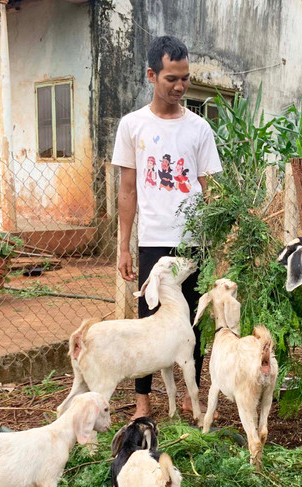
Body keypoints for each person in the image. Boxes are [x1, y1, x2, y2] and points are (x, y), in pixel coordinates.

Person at [112, 35, 223, 419]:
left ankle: (192, 395)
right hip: (154, 242)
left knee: (193, 320)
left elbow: (212, 189)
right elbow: (127, 191)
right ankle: (143, 402)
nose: (179, 87)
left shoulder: (199, 129)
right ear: (151, 75)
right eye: (171, 79)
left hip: (196, 244)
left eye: (185, 78)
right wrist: (124, 246)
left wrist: (224, 234)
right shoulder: (133, 126)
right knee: (148, 324)